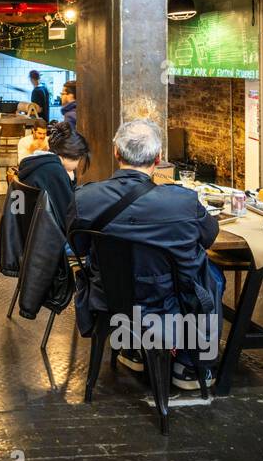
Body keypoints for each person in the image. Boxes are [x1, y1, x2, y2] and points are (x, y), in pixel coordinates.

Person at [73, 118, 224, 391]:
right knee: (213, 274)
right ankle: (190, 364)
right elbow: (208, 237)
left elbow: (80, 247)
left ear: (116, 153)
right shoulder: (182, 202)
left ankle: (132, 348)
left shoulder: (86, 198)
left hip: (109, 297)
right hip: (167, 299)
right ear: (158, 158)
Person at [16, 121, 76, 228]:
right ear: (33, 131)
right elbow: (21, 164)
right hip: (34, 188)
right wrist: (33, 151)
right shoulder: (24, 142)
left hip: (34, 210)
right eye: (39, 133)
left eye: (44, 133)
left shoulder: (49, 141)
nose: (42, 136)